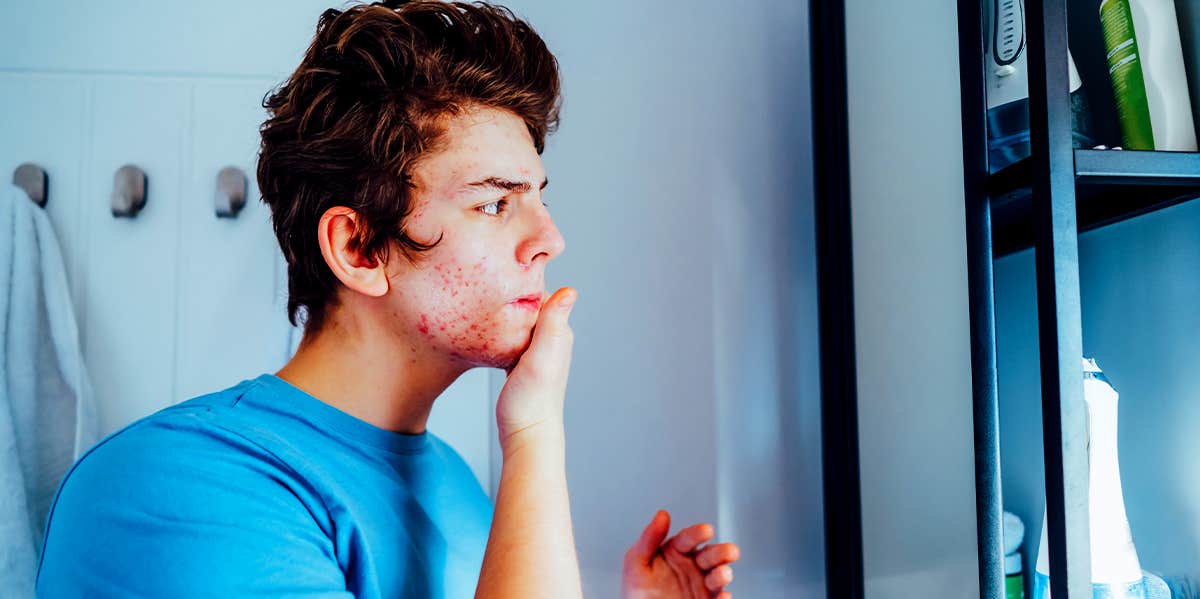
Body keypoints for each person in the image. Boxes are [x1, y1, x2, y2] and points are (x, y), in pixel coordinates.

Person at [35, 2, 740, 597]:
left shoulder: (461, 494)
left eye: (539, 201)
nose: (549, 239)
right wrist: (535, 437)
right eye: (496, 204)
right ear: (360, 248)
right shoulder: (171, 490)